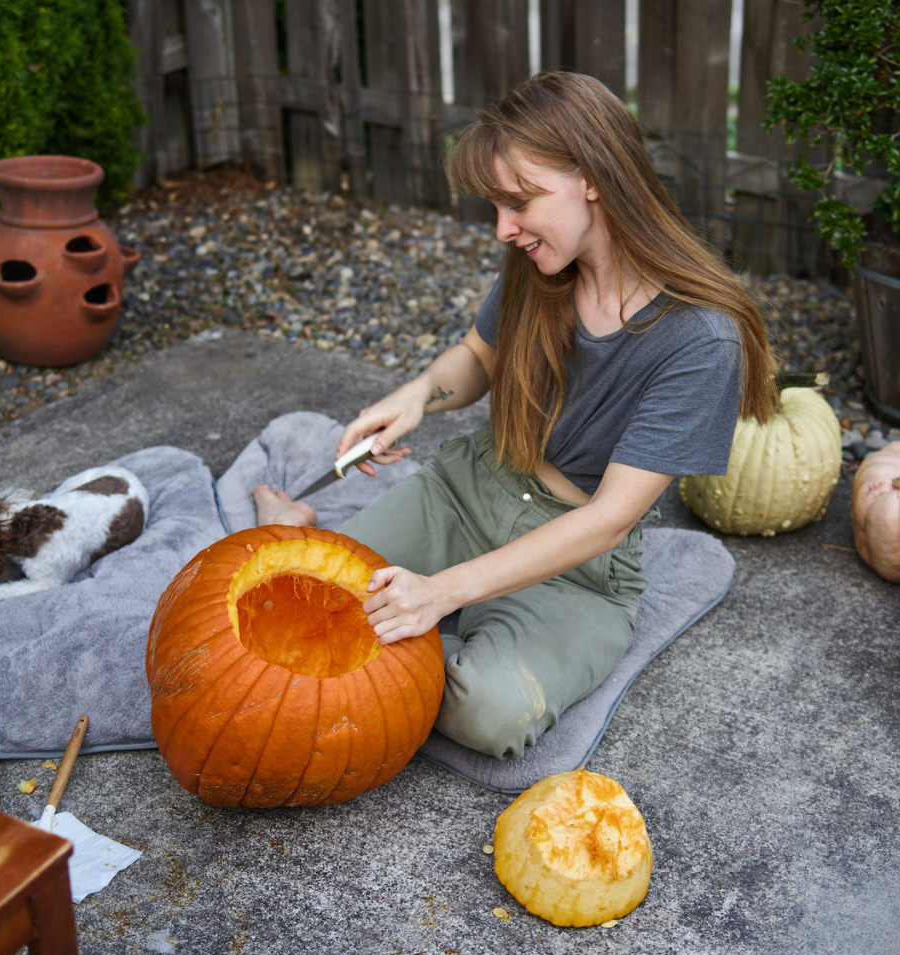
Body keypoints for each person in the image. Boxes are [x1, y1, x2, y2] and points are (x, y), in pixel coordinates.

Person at [253, 71, 777, 760]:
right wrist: (418, 395)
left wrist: (437, 594)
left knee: (489, 713)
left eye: (519, 202)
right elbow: (478, 356)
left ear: (591, 175)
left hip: (576, 564)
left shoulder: (700, 339)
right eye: (497, 206)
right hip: (470, 491)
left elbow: (608, 519)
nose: (504, 228)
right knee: (295, 603)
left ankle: (432, 612)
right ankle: (305, 540)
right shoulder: (539, 262)